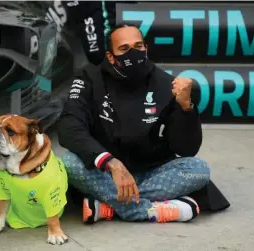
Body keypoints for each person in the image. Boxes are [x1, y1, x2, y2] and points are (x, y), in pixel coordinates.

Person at [57, 23, 213, 224]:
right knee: (70, 162)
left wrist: (186, 109)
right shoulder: (90, 78)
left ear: (146, 49)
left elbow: (186, 149)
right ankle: (145, 209)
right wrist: (110, 162)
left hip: (152, 173)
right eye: (123, 49)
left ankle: (112, 205)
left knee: (199, 168)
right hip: (106, 172)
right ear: (111, 56)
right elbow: (69, 125)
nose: (133, 53)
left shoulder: (167, 84)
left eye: (138, 47)